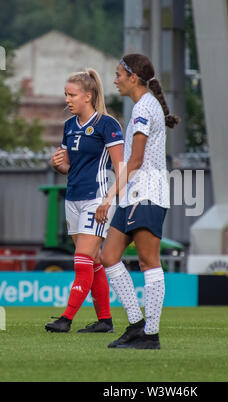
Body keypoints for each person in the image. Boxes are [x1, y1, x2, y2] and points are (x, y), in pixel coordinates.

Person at [95, 53, 180, 350]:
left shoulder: (145, 108)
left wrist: (108, 197)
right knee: (108, 257)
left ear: (133, 77)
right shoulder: (143, 107)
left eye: (119, 74)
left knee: (148, 262)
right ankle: (135, 325)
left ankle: (151, 335)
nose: (115, 79)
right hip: (134, 194)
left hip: (146, 193)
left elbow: (136, 160)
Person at [45, 68, 124, 333]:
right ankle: (105, 321)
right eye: (66, 94)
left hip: (97, 199)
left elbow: (121, 168)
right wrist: (58, 165)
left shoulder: (107, 124)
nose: (67, 99)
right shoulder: (69, 126)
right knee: (94, 261)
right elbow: (70, 167)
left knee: (81, 259)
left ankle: (66, 319)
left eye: (72, 94)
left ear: (88, 96)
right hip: (73, 198)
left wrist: (108, 200)